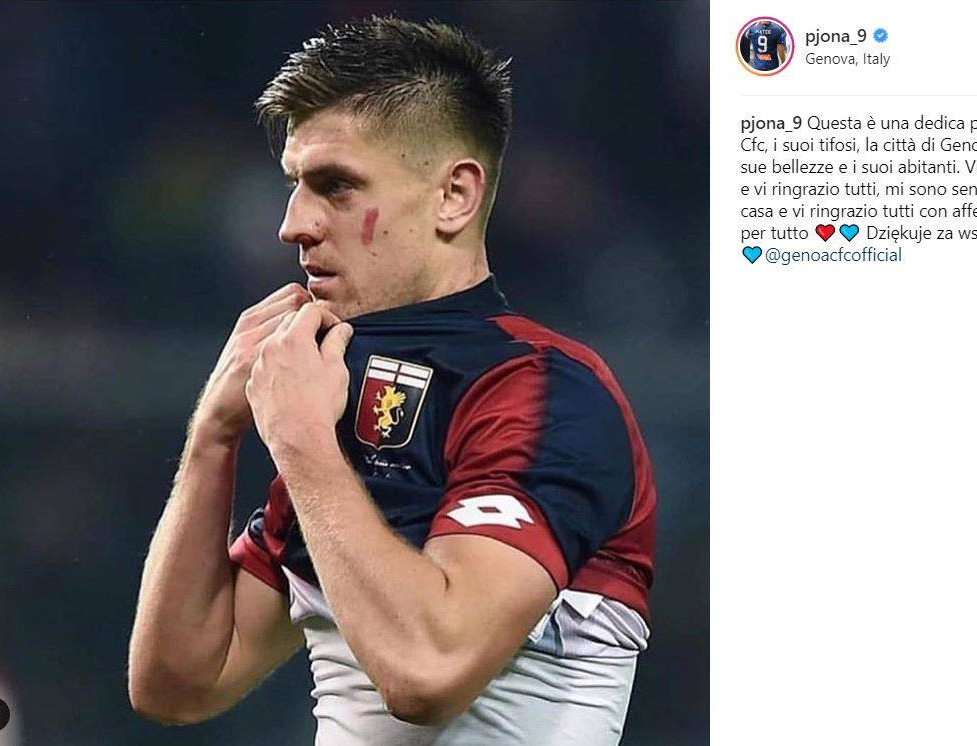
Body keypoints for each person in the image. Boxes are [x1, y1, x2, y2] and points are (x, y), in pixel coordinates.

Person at [127, 16, 657, 745]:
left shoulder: (544, 392)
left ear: (454, 196)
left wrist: (300, 442)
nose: (293, 224)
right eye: (295, 185)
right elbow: (179, 682)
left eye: (336, 186)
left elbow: (426, 674)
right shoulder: (338, 401)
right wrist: (212, 441)